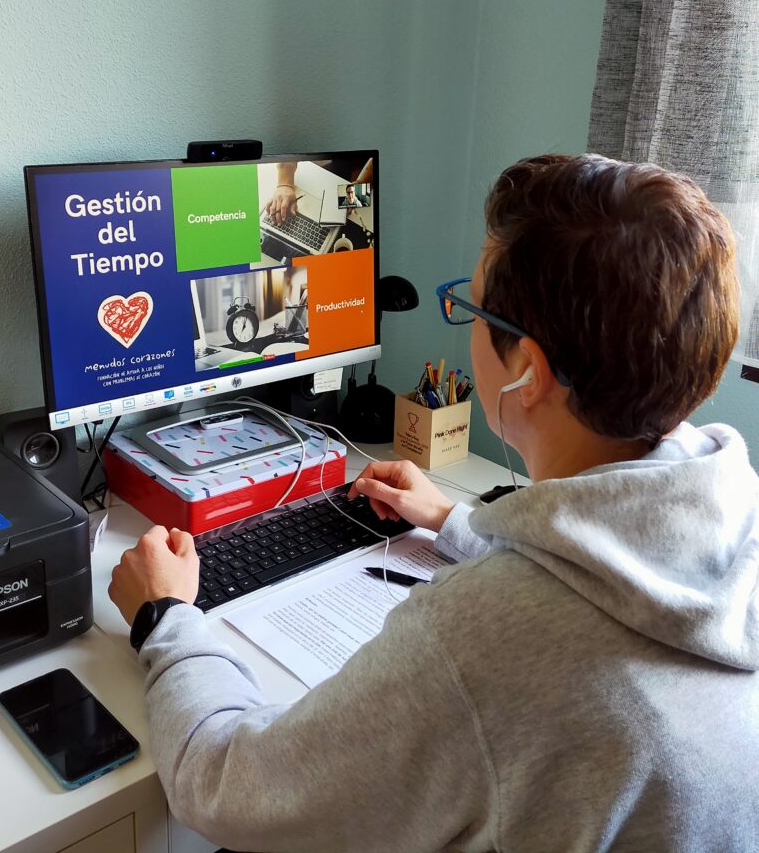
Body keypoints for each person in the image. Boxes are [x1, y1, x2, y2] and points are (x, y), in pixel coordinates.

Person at [109, 153, 759, 852]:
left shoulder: (476, 636)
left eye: (470, 306)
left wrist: (165, 617)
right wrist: (460, 524)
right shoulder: (737, 516)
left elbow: (227, 787)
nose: (466, 326)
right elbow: (621, 589)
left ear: (529, 374)